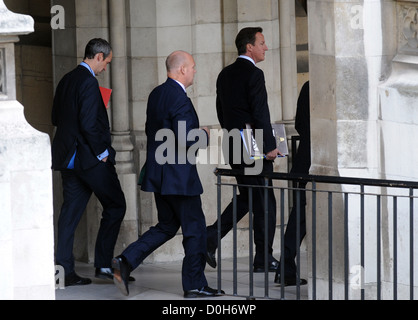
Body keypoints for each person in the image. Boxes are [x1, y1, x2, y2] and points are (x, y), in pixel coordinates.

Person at [112, 50, 223, 298]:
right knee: (195, 229)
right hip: (179, 177)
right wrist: (204, 134)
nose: (195, 71)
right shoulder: (180, 99)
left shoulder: (157, 94)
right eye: (193, 67)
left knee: (166, 226)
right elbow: (185, 138)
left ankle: (125, 260)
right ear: (182, 69)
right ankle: (194, 284)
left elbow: (152, 130)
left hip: (160, 174)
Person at [51, 38, 128, 286]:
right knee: (116, 205)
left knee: (69, 215)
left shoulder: (66, 79)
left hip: (68, 159)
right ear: (97, 57)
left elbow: (55, 117)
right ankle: (104, 265)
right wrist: (102, 153)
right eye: (106, 62)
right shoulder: (87, 81)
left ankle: (64, 271)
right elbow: (88, 124)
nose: (105, 68)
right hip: (89, 159)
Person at [206, 27, 281, 273]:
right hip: (254, 146)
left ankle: (211, 237)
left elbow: (221, 111)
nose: (265, 47)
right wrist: (270, 147)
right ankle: (263, 258)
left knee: (249, 197)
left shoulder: (224, 74)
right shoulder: (254, 74)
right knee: (264, 202)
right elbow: (260, 112)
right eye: (262, 42)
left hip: (233, 143)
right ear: (249, 47)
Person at [274, 81, 310, 286]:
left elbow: (299, 125)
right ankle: (285, 269)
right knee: (300, 218)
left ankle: (285, 269)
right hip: (315, 161)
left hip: (304, 160)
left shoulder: (307, 85)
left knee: (299, 218)